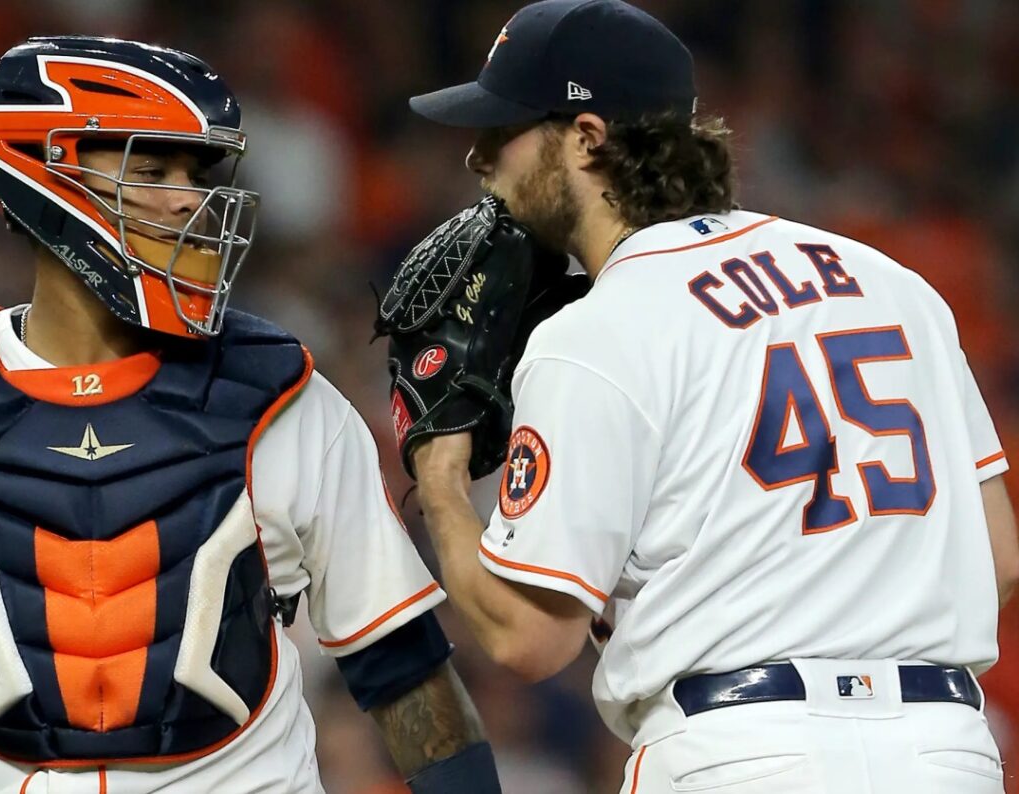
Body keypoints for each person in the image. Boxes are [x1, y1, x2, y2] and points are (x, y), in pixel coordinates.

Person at [0, 37, 502, 794]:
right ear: (44, 173)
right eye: (151, 170)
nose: (189, 199)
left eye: (196, 174)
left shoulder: (286, 400)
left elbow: (404, 672)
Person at [402, 1, 1019, 792]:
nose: (480, 158)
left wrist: (441, 478)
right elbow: (997, 557)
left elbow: (527, 638)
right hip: (943, 751)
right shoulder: (894, 284)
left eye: (505, 128)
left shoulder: (600, 329)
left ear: (588, 138)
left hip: (741, 751)